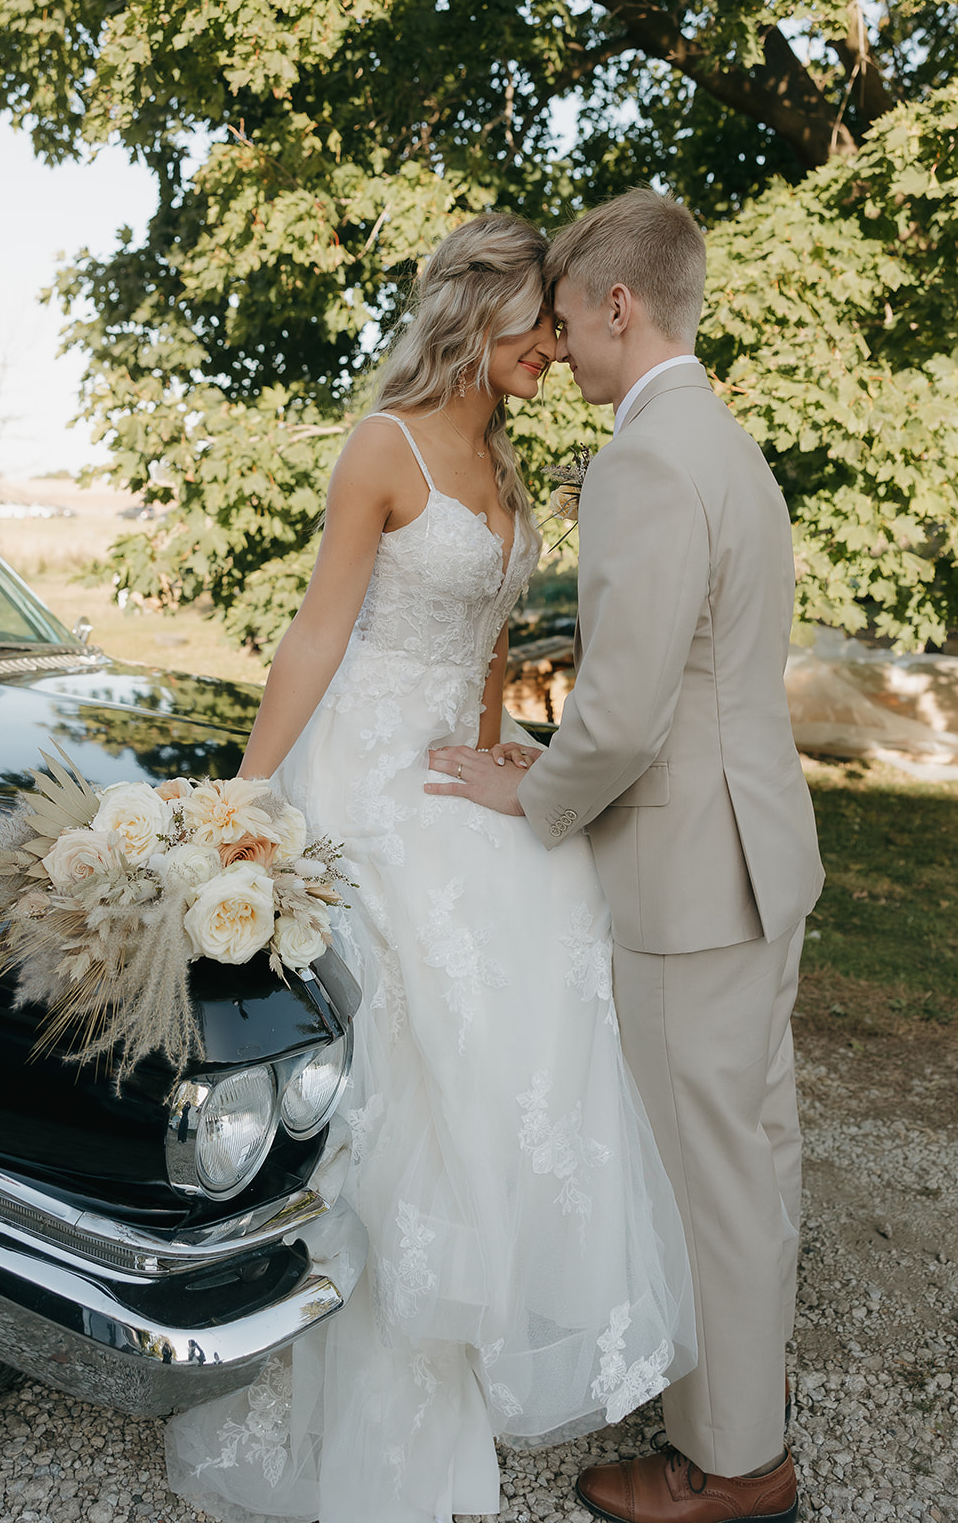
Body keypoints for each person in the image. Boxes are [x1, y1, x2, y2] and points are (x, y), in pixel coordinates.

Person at [164, 212, 696, 1523]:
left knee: (536, 987)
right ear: (482, 317)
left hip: (455, 773)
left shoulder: (510, 470)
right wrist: (247, 799)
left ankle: (453, 1386)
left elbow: (489, 661)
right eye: (540, 327)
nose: (557, 348)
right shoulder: (382, 448)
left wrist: (492, 769)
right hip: (360, 782)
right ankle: (367, 1434)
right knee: (403, 1092)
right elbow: (316, 636)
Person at [429, 189, 824, 1523]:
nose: (562, 354)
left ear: (620, 306)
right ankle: (749, 1412)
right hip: (762, 851)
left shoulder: (650, 459)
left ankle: (728, 1469)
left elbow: (631, 706)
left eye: (570, 324)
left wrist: (525, 789)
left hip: (689, 877)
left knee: (706, 1174)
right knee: (754, 1156)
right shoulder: (731, 445)